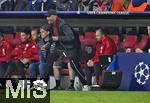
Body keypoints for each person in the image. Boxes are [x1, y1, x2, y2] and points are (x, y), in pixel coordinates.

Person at [46, 9, 87, 89]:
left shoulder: (62, 24)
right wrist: (48, 44)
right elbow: (53, 38)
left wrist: (58, 38)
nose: (47, 18)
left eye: (49, 16)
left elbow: (71, 37)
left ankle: (86, 84)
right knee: (49, 60)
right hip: (61, 47)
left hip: (71, 47)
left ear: (54, 16)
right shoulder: (52, 25)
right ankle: (40, 85)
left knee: (74, 65)